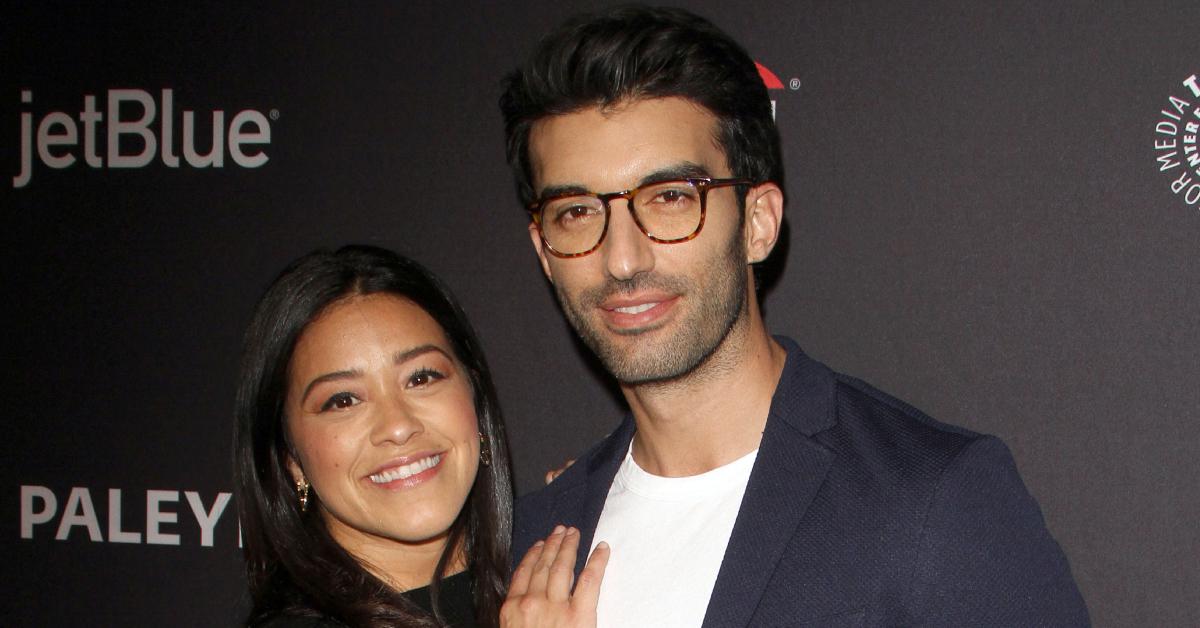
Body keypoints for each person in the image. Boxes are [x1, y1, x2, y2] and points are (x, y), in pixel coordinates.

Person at [499, 5, 1090, 627]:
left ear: (758, 224)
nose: (622, 259)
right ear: (544, 252)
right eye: (576, 213)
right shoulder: (540, 535)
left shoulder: (931, 500)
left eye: (671, 199)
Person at [233, 245, 514, 628]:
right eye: (342, 400)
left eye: (421, 377)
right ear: (291, 458)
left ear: (474, 394)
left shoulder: (559, 570)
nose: (397, 426)